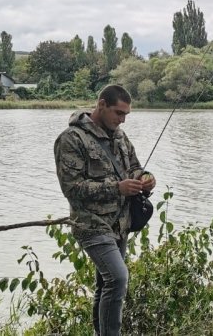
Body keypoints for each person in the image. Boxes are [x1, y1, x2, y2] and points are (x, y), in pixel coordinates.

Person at [54, 84, 156, 336]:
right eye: (118, 113)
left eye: (125, 115)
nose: (122, 120)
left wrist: (144, 178)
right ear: (101, 105)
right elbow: (72, 188)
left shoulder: (120, 136)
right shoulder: (71, 139)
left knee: (105, 283)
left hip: (120, 224)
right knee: (118, 278)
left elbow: (134, 166)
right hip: (90, 224)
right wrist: (118, 188)